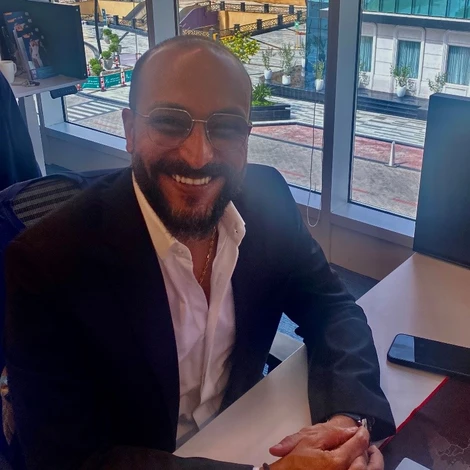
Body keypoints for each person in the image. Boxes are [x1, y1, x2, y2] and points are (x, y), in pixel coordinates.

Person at [4, 36, 395, 470]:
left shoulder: (266, 199)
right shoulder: (45, 264)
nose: (198, 155)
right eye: (170, 122)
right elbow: (69, 459)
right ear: (130, 130)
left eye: (226, 127)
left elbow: (332, 309)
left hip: (247, 435)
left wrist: (346, 425)